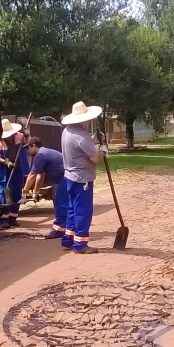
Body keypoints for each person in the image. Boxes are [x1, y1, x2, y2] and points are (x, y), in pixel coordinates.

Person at [61, 101, 107, 254]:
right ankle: (80, 244)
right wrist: (103, 151)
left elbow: (81, 146)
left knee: (73, 209)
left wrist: (93, 138)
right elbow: (94, 158)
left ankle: (68, 238)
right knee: (83, 211)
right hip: (82, 179)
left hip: (70, 176)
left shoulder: (67, 131)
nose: (88, 121)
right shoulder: (81, 136)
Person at [22, 137, 68, 239]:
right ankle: (65, 230)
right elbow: (40, 174)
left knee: (61, 205)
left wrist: (24, 192)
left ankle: (59, 231)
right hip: (63, 179)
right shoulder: (44, 153)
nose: (27, 151)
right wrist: (35, 191)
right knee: (61, 204)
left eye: (28, 148)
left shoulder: (40, 155)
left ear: (33, 146)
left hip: (64, 179)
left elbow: (32, 175)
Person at [0, 119, 29, 229]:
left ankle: (13, 218)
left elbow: (27, 144)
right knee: (5, 194)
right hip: (4, 172)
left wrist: (27, 137)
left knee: (17, 193)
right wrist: (6, 162)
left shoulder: (19, 137)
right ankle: (4, 219)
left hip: (18, 171)